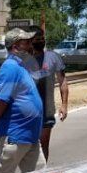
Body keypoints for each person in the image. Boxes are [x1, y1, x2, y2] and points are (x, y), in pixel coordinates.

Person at [0, 29, 45, 173]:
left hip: (31, 136)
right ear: (15, 47)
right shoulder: (10, 66)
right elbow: (3, 98)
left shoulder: (21, 66)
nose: (30, 46)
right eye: (26, 43)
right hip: (16, 134)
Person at [24, 27, 69, 162]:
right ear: (30, 41)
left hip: (46, 110)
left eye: (42, 38)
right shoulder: (22, 60)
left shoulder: (53, 57)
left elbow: (62, 81)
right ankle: (29, 171)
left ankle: (41, 171)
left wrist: (64, 105)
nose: (40, 41)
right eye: (37, 39)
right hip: (27, 111)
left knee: (43, 144)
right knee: (27, 146)